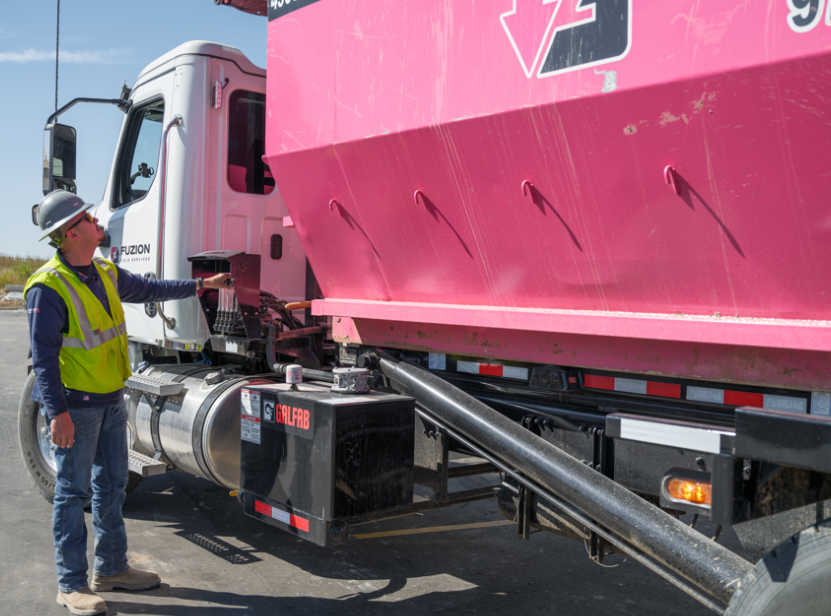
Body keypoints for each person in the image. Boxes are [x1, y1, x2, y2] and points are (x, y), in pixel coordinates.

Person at [24, 190, 230, 616]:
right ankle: (71, 584)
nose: (96, 220)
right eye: (87, 217)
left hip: (112, 399)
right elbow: (43, 360)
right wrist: (56, 413)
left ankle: (112, 568)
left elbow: (149, 288)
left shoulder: (102, 270)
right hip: (76, 407)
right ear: (69, 233)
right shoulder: (47, 287)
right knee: (72, 493)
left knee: (113, 485)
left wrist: (200, 285)